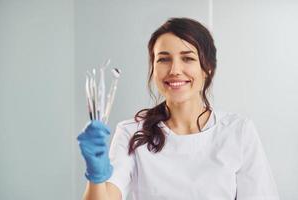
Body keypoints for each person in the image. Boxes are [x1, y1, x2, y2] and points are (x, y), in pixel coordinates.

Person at [77, 17, 280, 200]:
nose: (174, 70)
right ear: (153, 69)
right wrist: (96, 175)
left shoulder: (238, 132)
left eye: (188, 58)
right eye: (164, 59)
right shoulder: (131, 132)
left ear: (207, 68)